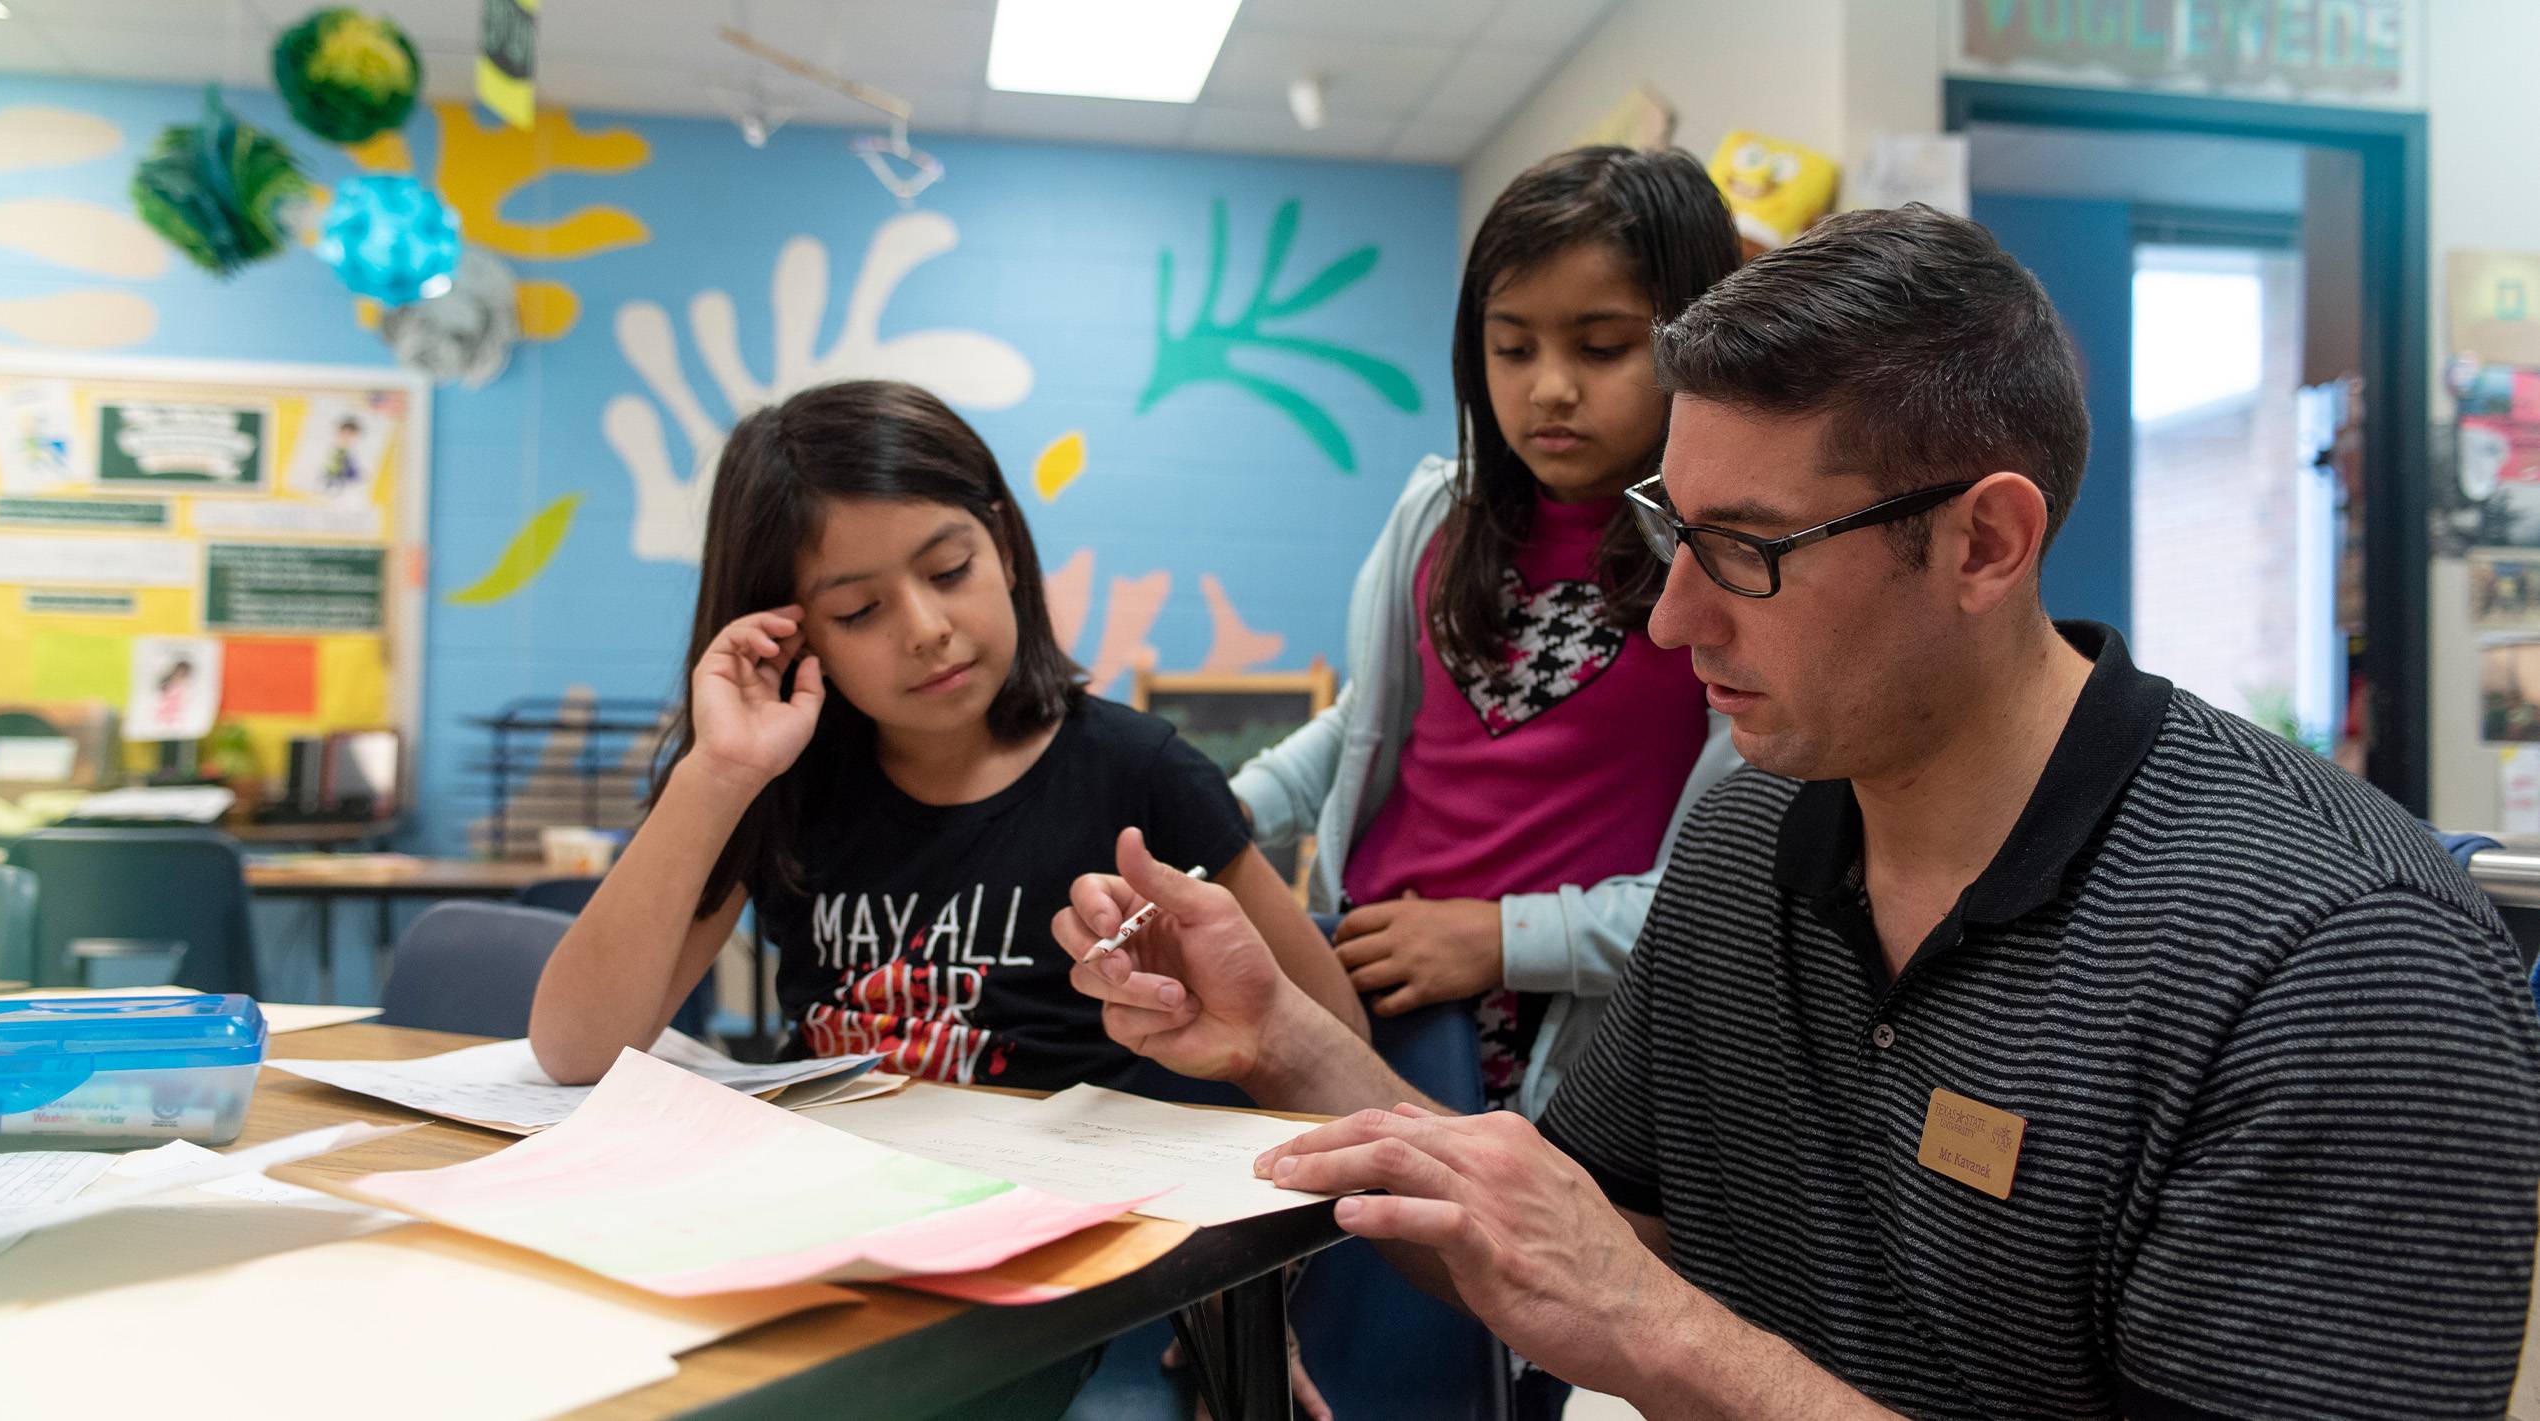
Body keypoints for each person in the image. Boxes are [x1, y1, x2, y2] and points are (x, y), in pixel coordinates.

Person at [1057, 206, 2540, 1420]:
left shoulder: (2343, 965)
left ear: (1984, 542)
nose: (1668, 620)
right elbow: (1572, 1245)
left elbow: (1628, 1305)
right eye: (1667, 532)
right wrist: (1288, 1039)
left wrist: (1667, 1340)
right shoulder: (1751, 837)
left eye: (1748, 550)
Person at [529, 379, 1364, 1096]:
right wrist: (718, 772)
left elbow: (1336, 1040)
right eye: (859, 611)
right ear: (794, 633)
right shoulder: (781, 784)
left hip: (1078, 1239)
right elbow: (576, 1050)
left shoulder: (1140, 772)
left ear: (1002, 548)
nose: (927, 629)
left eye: (948, 571)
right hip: (829, 1210)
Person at [1232, 144, 1744, 1119]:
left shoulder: (1726, 565)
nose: (1547, 388)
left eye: (1600, 347)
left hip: (1571, 1025)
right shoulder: (1438, 514)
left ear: (1693, 336)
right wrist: (1234, 808)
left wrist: (1501, 937)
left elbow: (1716, 895)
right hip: (1370, 982)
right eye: (1511, 349)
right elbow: (1374, 720)